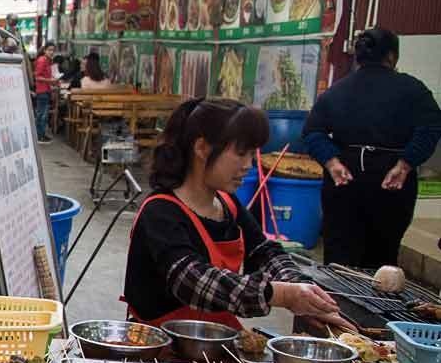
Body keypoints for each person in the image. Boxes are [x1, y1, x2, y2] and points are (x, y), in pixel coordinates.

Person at [125, 97, 354, 333]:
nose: (248, 165)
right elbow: (194, 282)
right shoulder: (160, 212)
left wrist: (303, 290)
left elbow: (265, 252)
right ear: (202, 148)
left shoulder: (226, 203)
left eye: (251, 154)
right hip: (156, 345)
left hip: (213, 339)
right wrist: (283, 295)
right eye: (241, 153)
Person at [302, 27, 441, 269]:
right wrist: (406, 163)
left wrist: (332, 163)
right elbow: (431, 127)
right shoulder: (413, 89)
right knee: (382, 257)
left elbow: (312, 132)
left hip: (344, 181)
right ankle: (377, 303)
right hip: (392, 182)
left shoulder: (337, 90)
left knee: (340, 255)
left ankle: (336, 303)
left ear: (358, 57)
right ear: (392, 57)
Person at [32, 43, 56, 143]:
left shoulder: (47, 61)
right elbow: (37, 77)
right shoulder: (42, 60)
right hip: (42, 91)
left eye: (53, 50)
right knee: (42, 114)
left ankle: (41, 134)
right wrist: (50, 81)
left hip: (46, 90)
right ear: (45, 50)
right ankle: (39, 136)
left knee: (43, 114)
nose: (51, 52)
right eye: (49, 50)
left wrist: (52, 81)